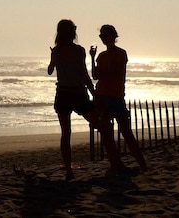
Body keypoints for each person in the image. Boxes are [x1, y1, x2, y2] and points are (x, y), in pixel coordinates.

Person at [47, 19, 126, 180]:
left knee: (66, 133)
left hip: (62, 93)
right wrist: (94, 94)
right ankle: (115, 163)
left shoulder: (56, 51)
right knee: (102, 126)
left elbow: (50, 71)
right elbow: (83, 75)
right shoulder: (78, 50)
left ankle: (69, 170)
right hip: (77, 94)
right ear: (72, 32)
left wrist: (52, 57)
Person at [90, 24, 148, 172]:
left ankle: (142, 165)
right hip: (102, 95)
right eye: (101, 36)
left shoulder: (121, 53)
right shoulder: (101, 56)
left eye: (105, 35)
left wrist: (102, 73)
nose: (103, 38)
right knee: (106, 131)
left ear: (113, 36)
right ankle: (115, 164)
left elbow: (113, 72)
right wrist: (91, 58)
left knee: (126, 131)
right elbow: (96, 76)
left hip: (115, 95)